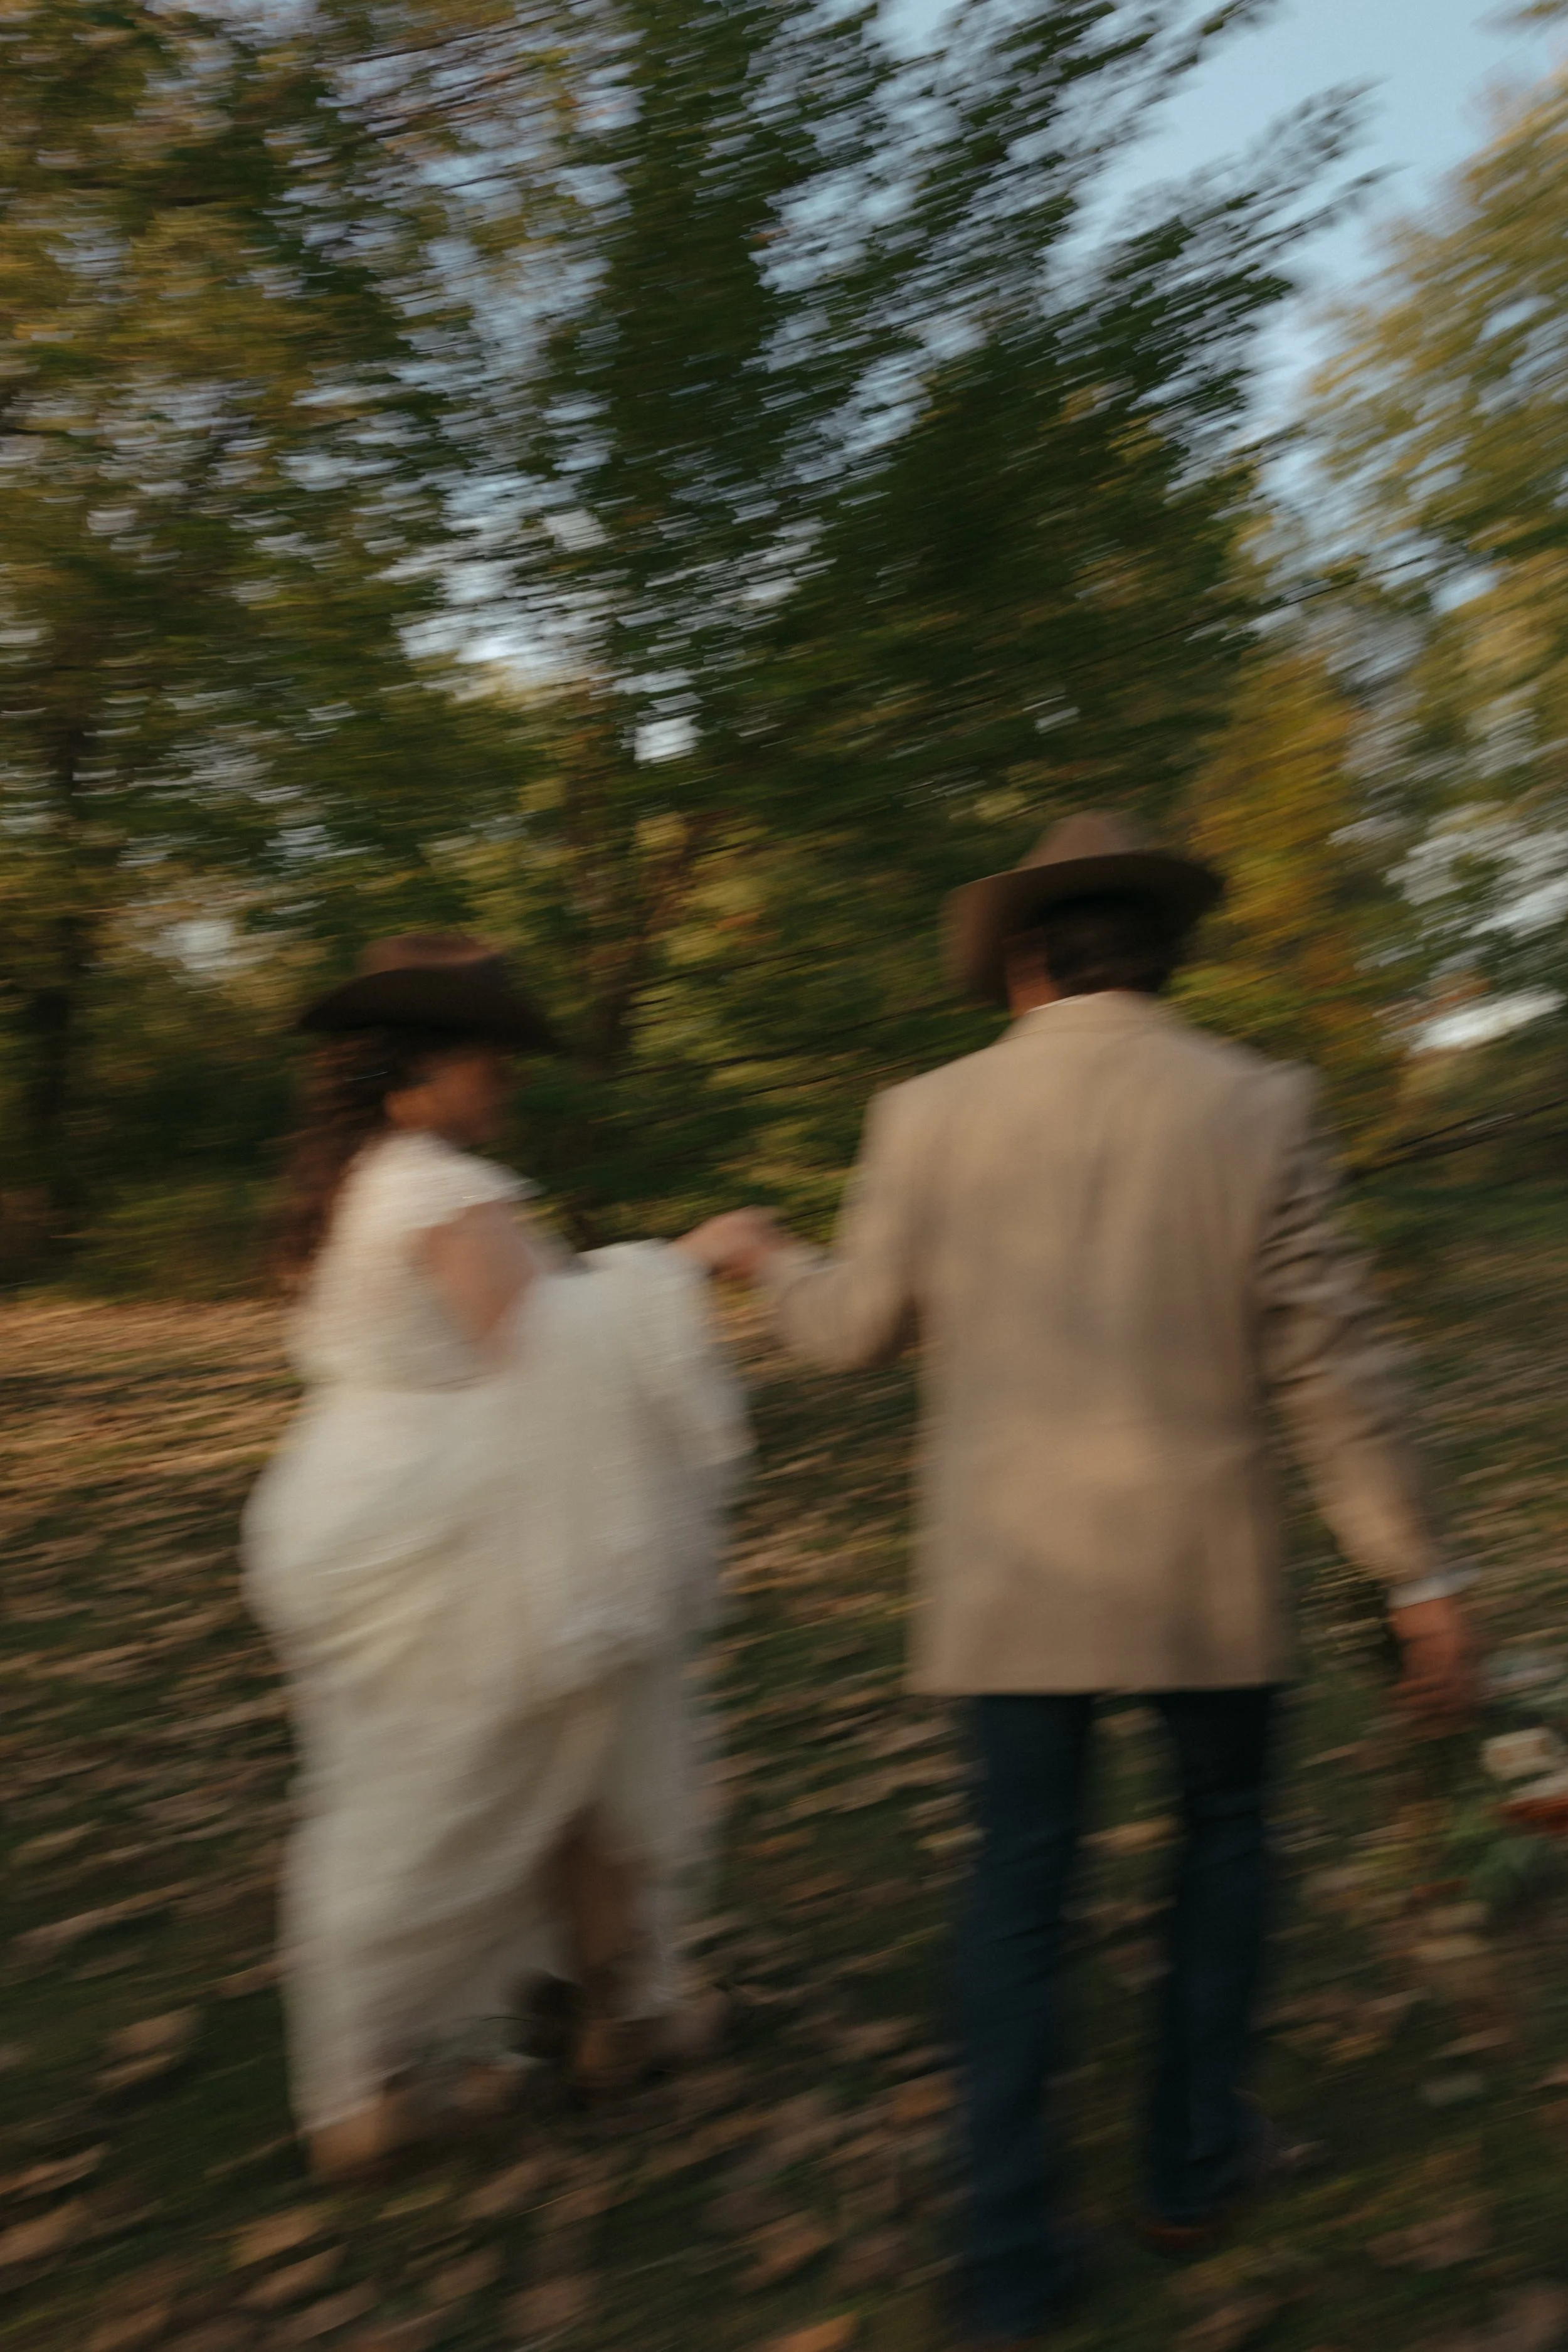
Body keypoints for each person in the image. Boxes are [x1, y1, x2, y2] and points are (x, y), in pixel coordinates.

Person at [703, 812, 1476, 2349]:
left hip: (1011, 1576)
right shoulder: (1260, 1103)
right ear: (1166, 957)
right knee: (1224, 1845)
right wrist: (1415, 1574)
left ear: (1022, 967)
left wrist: (762, 1255)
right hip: (1203, 1569)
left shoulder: (924, 1113)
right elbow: (1331, 1368)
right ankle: (1189, 2168)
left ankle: (1002, 2257)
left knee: (1015, 1888)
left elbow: (854, 1328)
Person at [243, 934, 748, 2181]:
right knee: (450, 1790)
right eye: (487, 1058)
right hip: (437, 1524)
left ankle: (610, 2024)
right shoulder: (433, 1190)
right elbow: (546, 1340)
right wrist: (694, 1259)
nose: (506, 1081)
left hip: (361, 1502)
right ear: (419, 1070)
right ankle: (364, 2088)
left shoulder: (367, 1175)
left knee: (549, 1755)